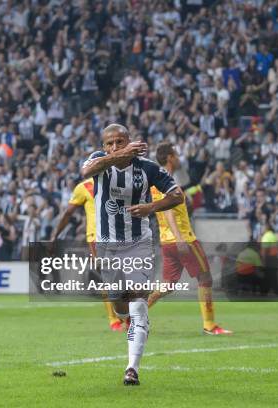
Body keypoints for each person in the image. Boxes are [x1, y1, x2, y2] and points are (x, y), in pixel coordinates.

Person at [81, 124, 183, 386]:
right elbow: (85, 171)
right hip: (107, 244)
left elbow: (177, 195)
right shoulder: (98, 161)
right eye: (110, 143)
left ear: (128, 140)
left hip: (139, 243)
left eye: (120, 141)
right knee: (119, 305)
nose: (114, 146)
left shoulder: (147, 168)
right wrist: (121, 154)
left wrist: (152, 206)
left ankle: (132, 368)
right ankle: (132, 322)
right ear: (103, 146)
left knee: (138, 304)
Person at [147, 143, 232, 335]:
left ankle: (134, 316)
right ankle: (209, 325)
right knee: (205, 278)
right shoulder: (166, 180)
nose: (178, 158)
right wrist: (179, 238)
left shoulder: (155, 182)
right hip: (182, 238)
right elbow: (168, 210)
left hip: (166, 241)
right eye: (176, 155)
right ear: (169, 157)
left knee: (167, 286)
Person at [50, 177, 124, 332]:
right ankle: (114, 320)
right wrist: (55, 234)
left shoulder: (117, 183)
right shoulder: (84, 187)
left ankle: (126, 316)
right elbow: (68, 213)